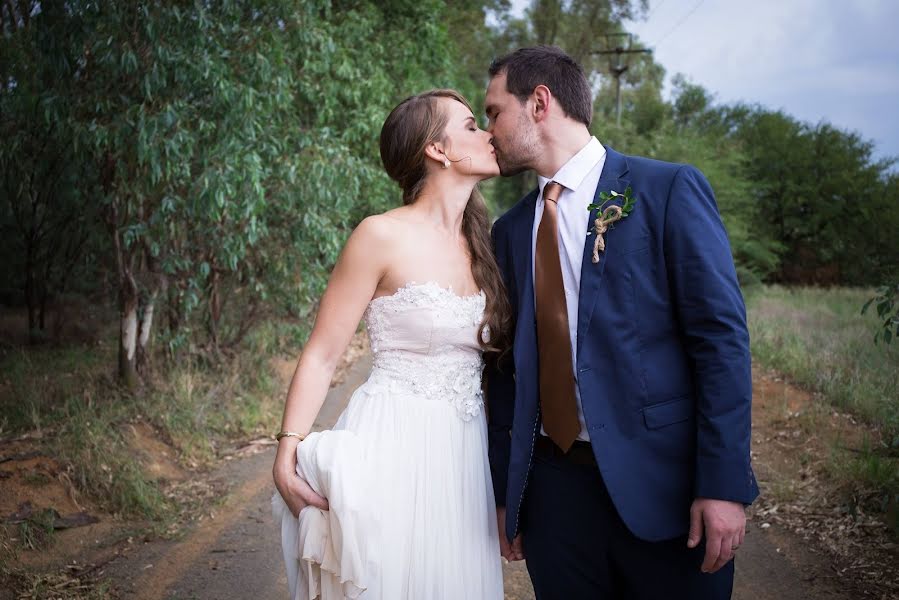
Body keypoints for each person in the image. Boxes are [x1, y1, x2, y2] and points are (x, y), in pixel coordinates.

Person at [484, 46, 759, 599]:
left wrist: (723, 485)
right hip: (555, 498)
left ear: (539, 103)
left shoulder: (665, 191)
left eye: (493, 112)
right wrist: (505, 492)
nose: (488, 129)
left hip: (666, 489)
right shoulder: (511, 231)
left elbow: (720, 343)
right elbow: (507, 372)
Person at [271, 89, 506, 599]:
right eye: (470, 126)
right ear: (437, 150)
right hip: (392, 446)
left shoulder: (487, 244)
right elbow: (323, 353)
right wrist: (287, 448)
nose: (489, 133)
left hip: (463, 460)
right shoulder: (378, 236)